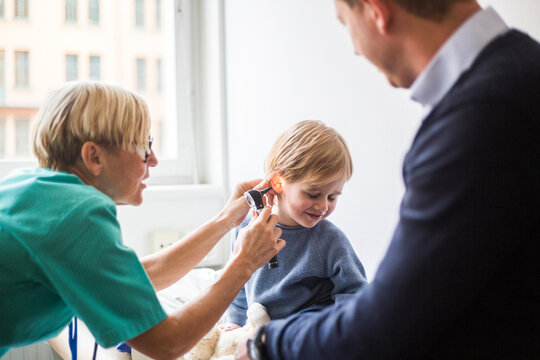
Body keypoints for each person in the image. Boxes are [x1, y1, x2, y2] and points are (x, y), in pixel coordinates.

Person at [236, 0, 540, 359]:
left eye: (345, 23)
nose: (353, 47)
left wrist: (267, 341)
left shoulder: (480, 118)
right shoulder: (522, 73)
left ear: (376, 11)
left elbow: (387, 323)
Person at [0, 81, 285, 359]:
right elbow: (167, 344)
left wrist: (225, 220)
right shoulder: (77, 215)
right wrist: (243, 263)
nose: (154, 161)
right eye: (145, 147)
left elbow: (136, 277)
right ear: (94, 156)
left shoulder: (32, 187)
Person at [224, 120, 367, 328]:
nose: (323, 206)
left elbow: (355, 293)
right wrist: (236, 324)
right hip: (259, 324)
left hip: (307, 331)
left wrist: (340, 331)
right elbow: (236, 281)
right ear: (278, 183)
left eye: (333, 197)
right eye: (313, 194)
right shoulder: (247, 229)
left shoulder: (330, 240)